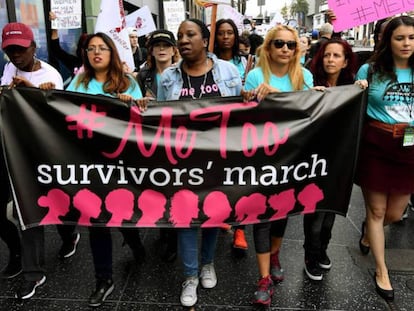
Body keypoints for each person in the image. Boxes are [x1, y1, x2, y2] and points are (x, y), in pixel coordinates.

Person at [157, 18, 242, 307]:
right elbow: (159, 118)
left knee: (212, 214)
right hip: (181, 162)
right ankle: (190, 276)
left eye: (190, 34)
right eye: (180, 35)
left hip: (218, 159)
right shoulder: (168, 77)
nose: (183, 40)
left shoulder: (229, 71)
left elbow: (242, 115)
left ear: (205, 41)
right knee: (185, 218)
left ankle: (208, 263)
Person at [66, 32, 145, 307]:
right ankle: (104, 279)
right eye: (91, 48)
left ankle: (134, 243)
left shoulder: (128, 82)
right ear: (85, 54)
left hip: (121, 162)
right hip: (89, 161)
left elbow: (142, 119)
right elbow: (62, 110)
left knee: (122, 213)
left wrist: (133, 104)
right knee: (96, 219)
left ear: (112, 53)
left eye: (102, 48)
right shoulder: (78, 82)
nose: (96, 52)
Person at [242, 24, 313, 306]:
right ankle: (263, 278)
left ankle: (274, 254)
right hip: (262, 155)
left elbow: (310, 112)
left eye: (291, 45)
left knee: (283, 211)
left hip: (294, 155)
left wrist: (280, 96)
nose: (285, 49)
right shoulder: (255, 76)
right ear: (268, 48)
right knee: (261, 214)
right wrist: (249, 97)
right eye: (280, 44)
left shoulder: (304, 76)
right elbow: (247, 115)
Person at [0, 22, 68, 300]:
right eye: (9, 50)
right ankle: (26, 264)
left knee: (45, 209)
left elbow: (58, 117)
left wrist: (37, 94)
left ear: (34, 47)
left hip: (39, 155)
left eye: (20, 49)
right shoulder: (8, 69)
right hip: (11, 150)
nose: (15, 55)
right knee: (25, 213)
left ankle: (62, 241)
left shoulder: (50, 75)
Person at [354, 15, 414, 302]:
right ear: (388, 40)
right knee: (377, 212)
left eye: (412, 38)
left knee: (394, 214)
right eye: (400, 37)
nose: (406, 43)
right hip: (376, 144)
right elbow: (352, 104)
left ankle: (367, 234)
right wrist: (358, 88)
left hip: (410, 145)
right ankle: (382, 271)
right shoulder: (370, 69)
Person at [305, 38, 358, 280]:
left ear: (346, 61)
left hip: (339, 161)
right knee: (315, 214)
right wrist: (309, 96)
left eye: (337, 56)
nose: (331, 60)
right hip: (314, 161)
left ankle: (322, 249)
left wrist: (361, 89)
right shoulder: (312, 83)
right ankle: (311, 255)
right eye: (327, 55)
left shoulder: (353, 87)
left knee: (331, 212)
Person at [137, 29, 180, 262]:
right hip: (153, 138)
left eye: (166, 45)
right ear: (151, 51)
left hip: (180, 138)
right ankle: (165, 231)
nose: (162, 49)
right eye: (157, 45)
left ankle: (173, 236)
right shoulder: (143, 75)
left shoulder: (184, 72)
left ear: (174, 49)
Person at [213, 18, 249, 251]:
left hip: (239, 127)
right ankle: (220, 215)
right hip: (215, 129)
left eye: (230, 33)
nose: (226, 37)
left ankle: (240, 229)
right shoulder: (207, 62)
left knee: (240, 179)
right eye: (221, 33)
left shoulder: (245, 62)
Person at [48, 11, 88, 79]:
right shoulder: (74, 62)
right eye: (85, 48)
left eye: (91, 48)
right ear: (80, 49)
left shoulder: (101, 64)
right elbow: (56, 49)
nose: (89, 51)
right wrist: (54, 26)